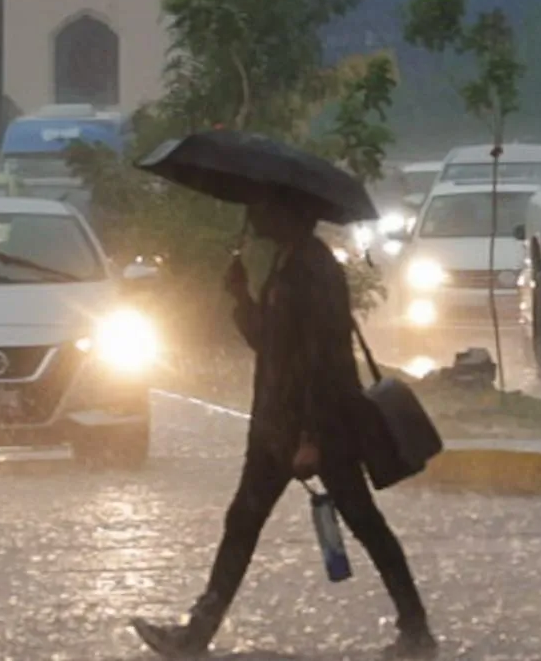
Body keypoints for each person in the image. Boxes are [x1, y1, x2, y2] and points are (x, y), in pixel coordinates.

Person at [129, 197, 437, 659]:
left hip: (314, 426)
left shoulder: (312, 273)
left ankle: (416, 630)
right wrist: (242, 299)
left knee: (361, 521)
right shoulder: (288, 264)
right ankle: (196, 634)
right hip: (277, 424)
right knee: (245, 522)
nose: (254, 215)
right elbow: (272, 345)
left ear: (290, 214)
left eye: (266, 208)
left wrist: (310, 439)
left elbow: (319, 361)